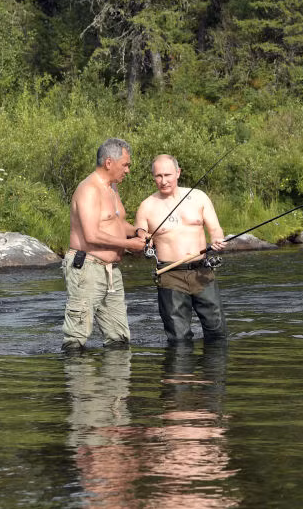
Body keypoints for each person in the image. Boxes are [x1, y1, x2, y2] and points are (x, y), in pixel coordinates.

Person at [62, 138, 148, 350]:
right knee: (76, 338)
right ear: (109, 163)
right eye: (125, 164)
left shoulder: (112, 188)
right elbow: (92, 235)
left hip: (111, 272)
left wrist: (138, 232)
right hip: (87, 269)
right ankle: (78, 381)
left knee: (119, 338)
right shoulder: (89, 189)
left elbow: (117, 223)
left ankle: (115, 383)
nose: (128, 170)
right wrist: (130, 245)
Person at [135, 154, 227, 344]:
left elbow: (215, 228)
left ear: (178, 173)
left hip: (202, 270)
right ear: (153, 177)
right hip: (170, 275)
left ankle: (213, 373)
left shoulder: (199, 197)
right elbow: (140, 235)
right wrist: (144, 240)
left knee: (217, 332)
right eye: (158, 176)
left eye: (167, 175)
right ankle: (178, 373)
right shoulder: (146, 206)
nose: (163, 181)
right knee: (179, 339)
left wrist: (217, 239)